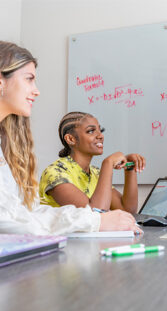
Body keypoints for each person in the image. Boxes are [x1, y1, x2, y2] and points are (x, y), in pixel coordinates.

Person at [0, 40, 141, 235]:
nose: (36, 90)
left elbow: (26, 213)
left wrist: (129, 171)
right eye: (29, 79)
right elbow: (7, 221)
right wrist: (95, 221)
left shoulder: (8, 149)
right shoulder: (57, 173)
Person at [39, 111, 146, 214]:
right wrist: (108, 163)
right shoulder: (55, 173)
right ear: (70, 139)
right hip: (61, 233)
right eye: (90, 131)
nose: (100, 136)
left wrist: (130, 169)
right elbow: (95, 215)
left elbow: (127, 210)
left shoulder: (95, 173)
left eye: (101, 130)